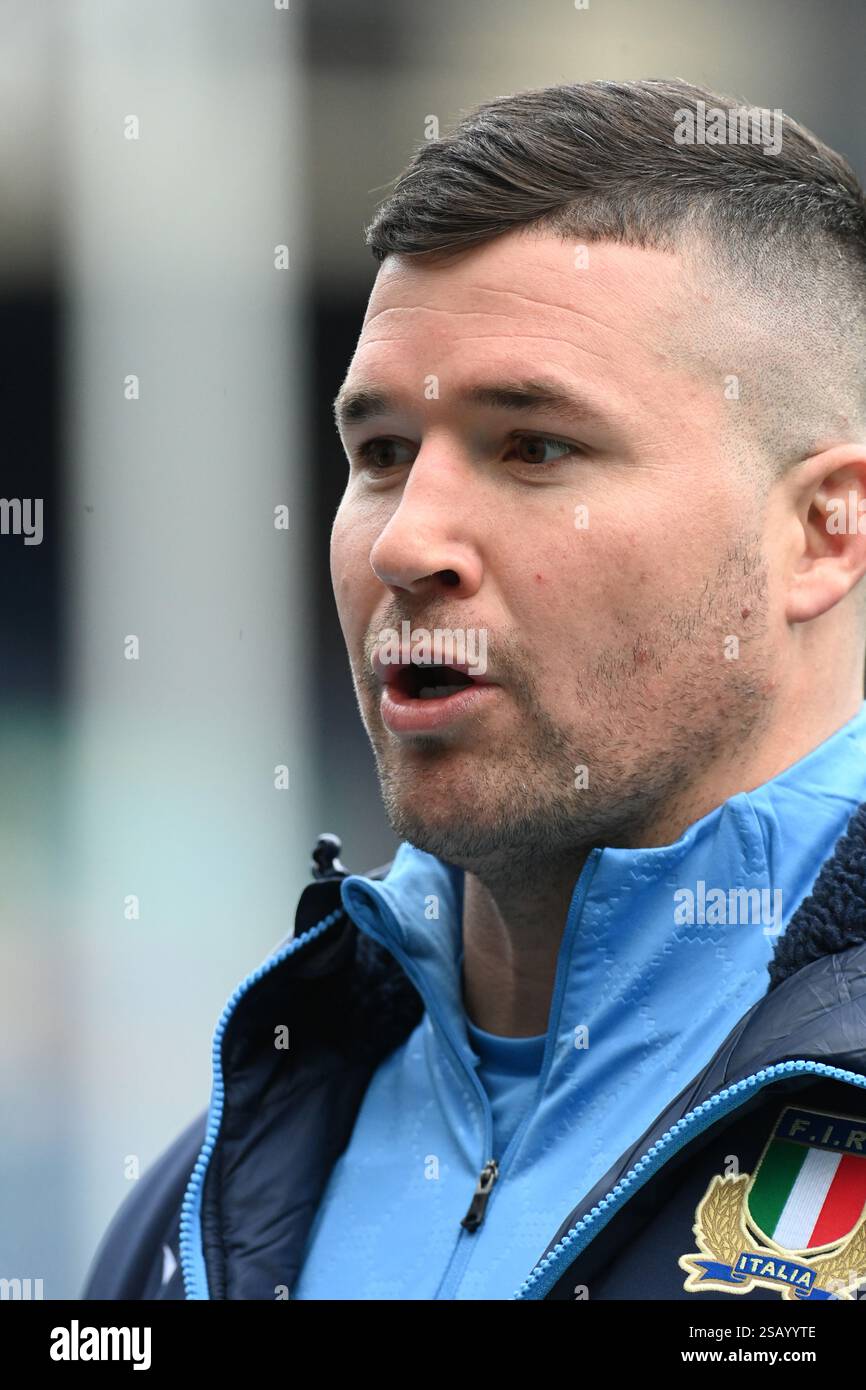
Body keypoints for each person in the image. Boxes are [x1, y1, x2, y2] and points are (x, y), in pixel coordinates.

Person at [82, 77, 866, 1302]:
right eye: (381, 453)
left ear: (821, 531)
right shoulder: (203, 1207)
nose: (405, 543)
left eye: (533, 446)